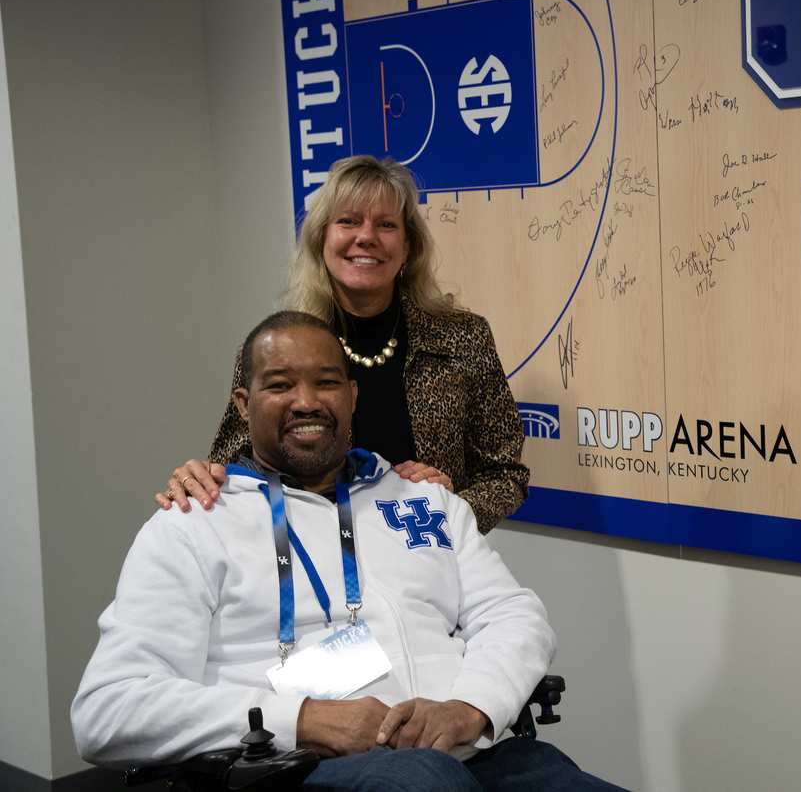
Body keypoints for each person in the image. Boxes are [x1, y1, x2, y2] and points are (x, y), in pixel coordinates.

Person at [73, 312, 623, 791]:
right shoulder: (196, 523)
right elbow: (108, 711)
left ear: (353, 396)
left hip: (470, 752)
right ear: (243, 404)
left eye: (327, 382)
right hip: (300, 768)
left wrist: (470, 708)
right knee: (423, 781)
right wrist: (305, 720)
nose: (307, 401)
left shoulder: (423, 499)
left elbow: (512, 615)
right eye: (280, 384)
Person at [158, 155, 527, 534]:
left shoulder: (463, 339)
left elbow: (506, 474)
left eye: (386, 224)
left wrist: (450, 510)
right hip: (303, 567)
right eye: (348, 221)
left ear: (407, 246)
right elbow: (231, 467)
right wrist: (196, 482)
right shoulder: (271, 350)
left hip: (430, 564)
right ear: (322, 238)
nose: (366, 236)